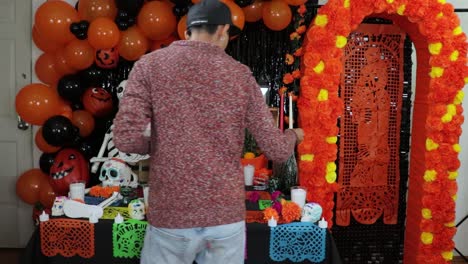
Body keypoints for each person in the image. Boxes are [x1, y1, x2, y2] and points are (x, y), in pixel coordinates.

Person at [112, 0, 304, 263]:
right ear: (223, 30)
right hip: (224, 218)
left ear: (188, 30)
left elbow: (126, 138)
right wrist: (294, 135)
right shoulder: (240, 76)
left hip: (171, 215)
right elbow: (276, 150)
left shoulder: (149, 66)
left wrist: (163, 140)